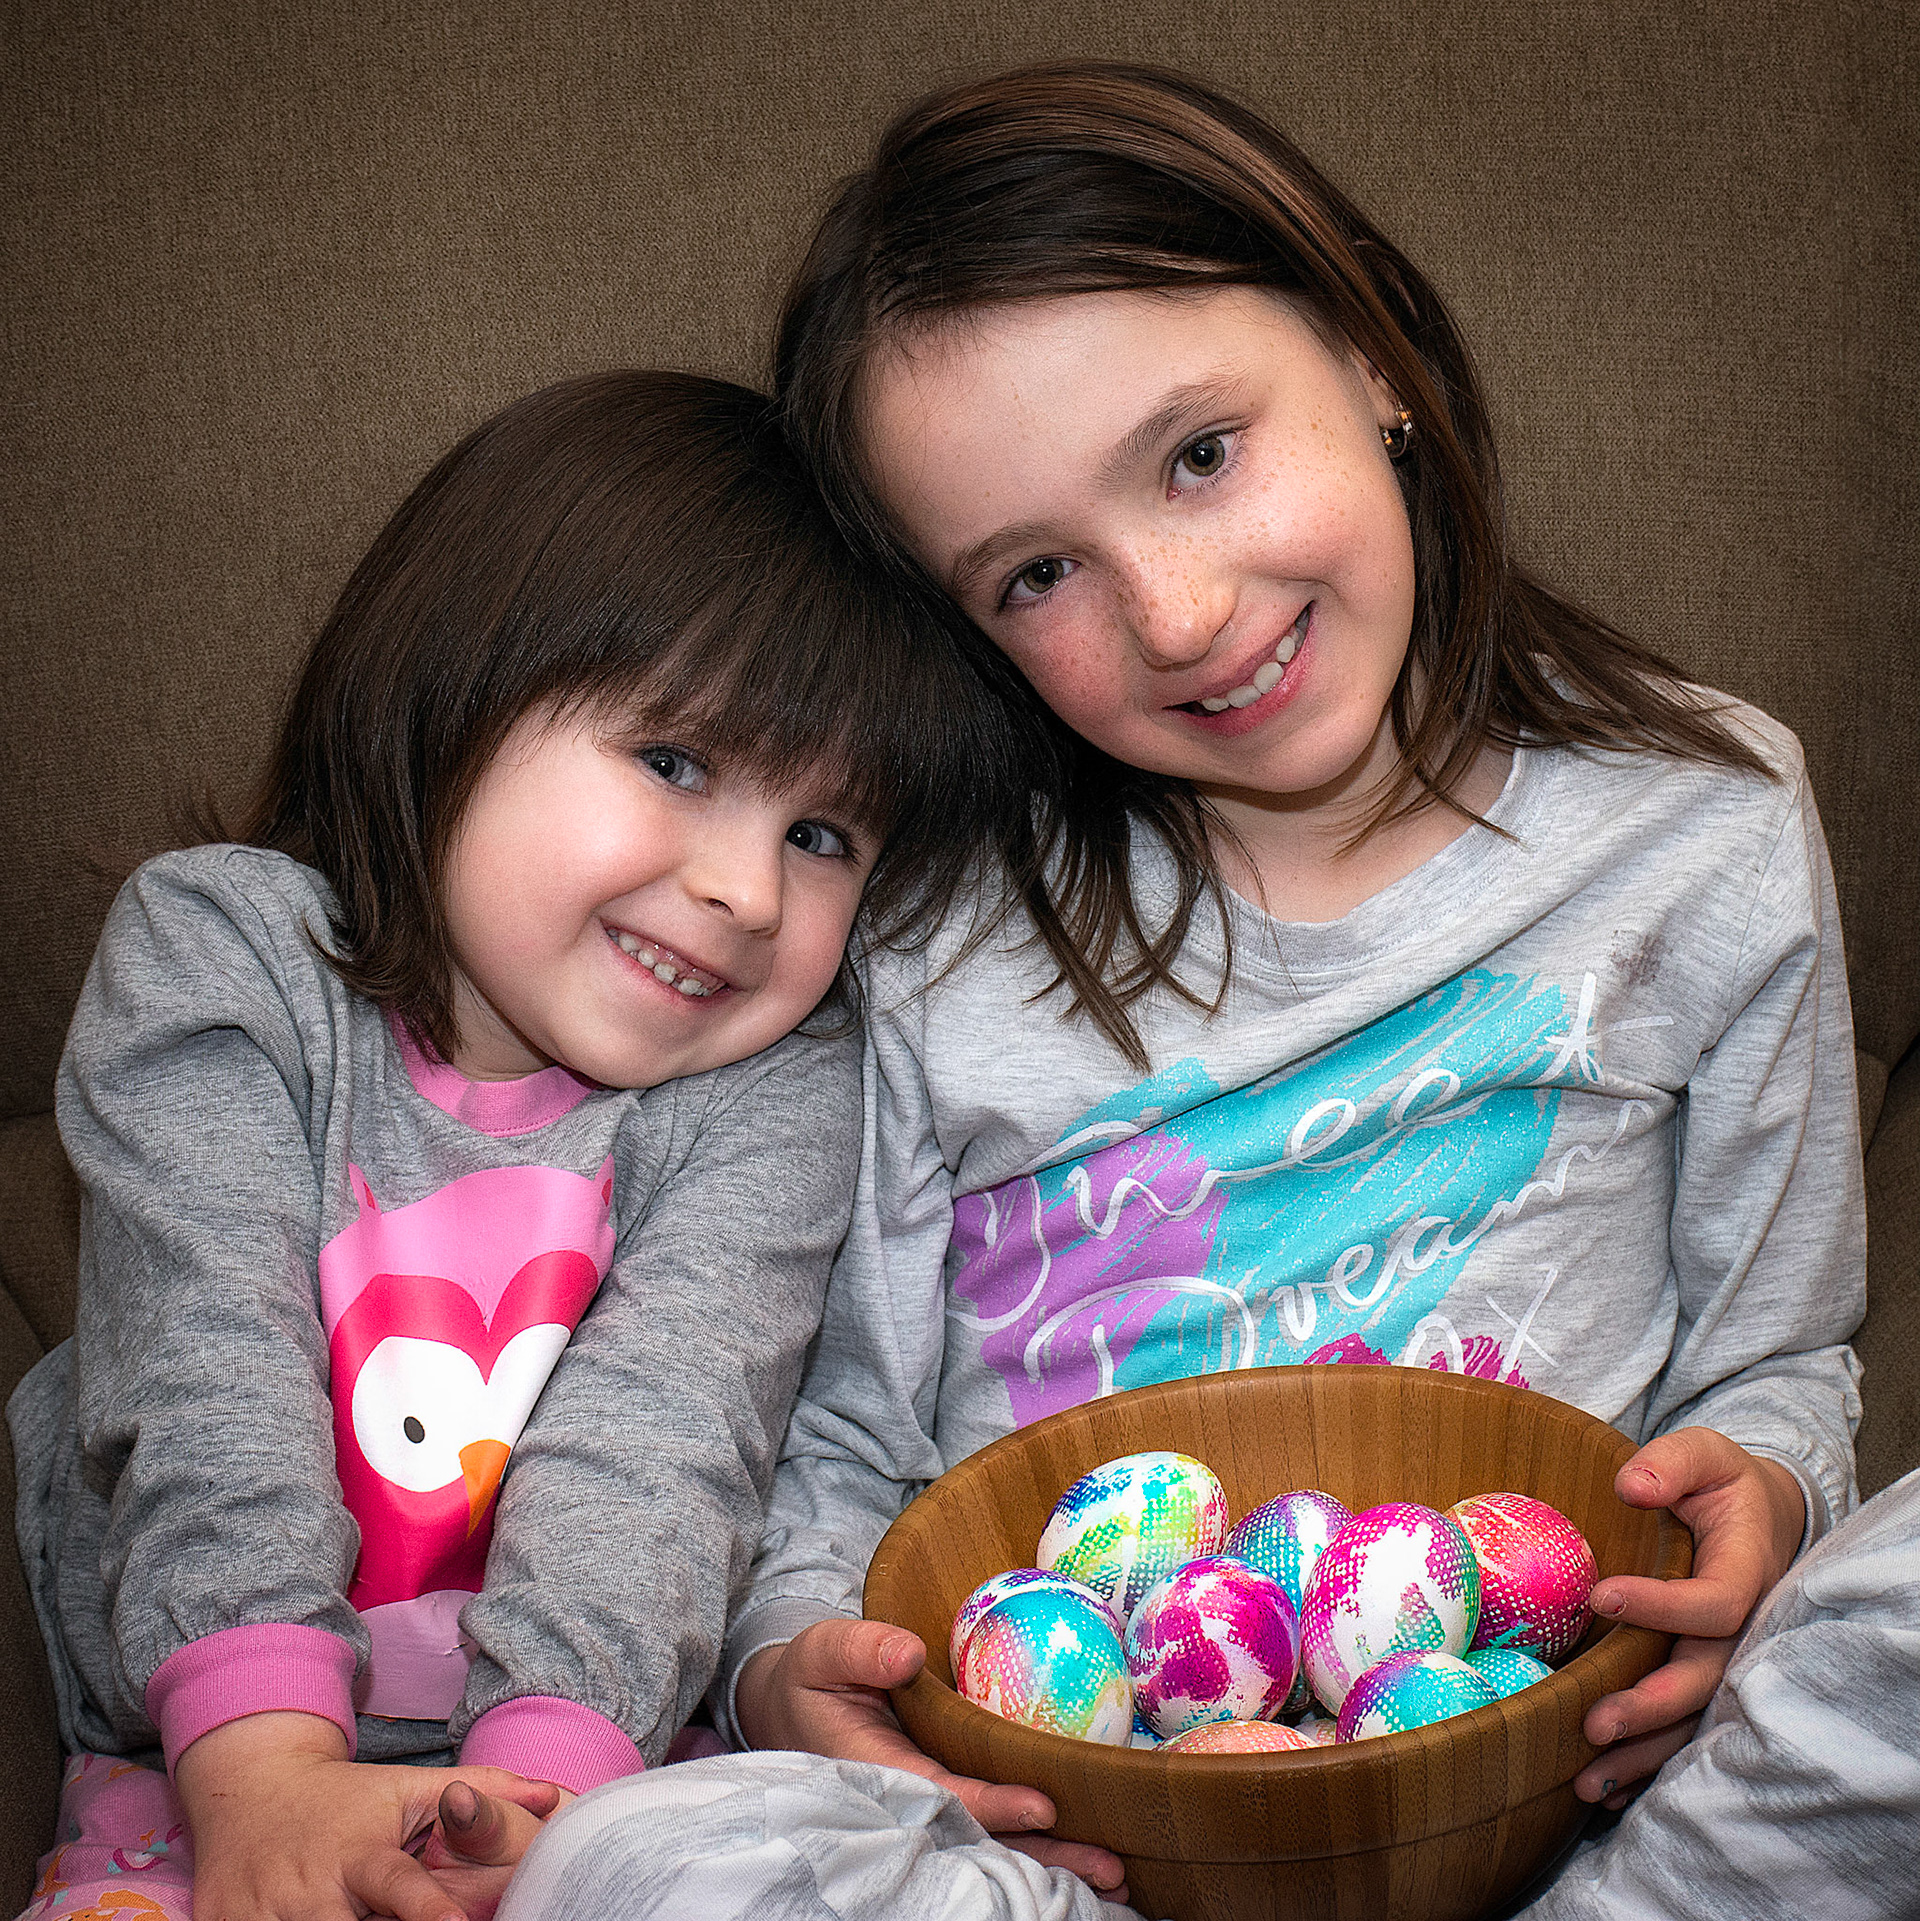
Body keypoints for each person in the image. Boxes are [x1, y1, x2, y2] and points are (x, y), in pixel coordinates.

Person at [717, 60, 1864, 1903]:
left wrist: (1771, 1499)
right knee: (645, 1857)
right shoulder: (926, 940)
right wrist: (785, 1663)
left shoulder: (1704, 826)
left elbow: (1782, 1357)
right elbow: (842, 1441)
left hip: (1586, 1804)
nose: (1178, 615)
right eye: (1036, 573)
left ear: (1375, 350)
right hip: (1079, 1857)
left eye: (1198, 454)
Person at [9, 369, 996, 1921]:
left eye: (822, 838)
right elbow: (202, 1376)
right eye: (677, 760)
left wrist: (541, 1815)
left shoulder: (773, 1089)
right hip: (199, 1764)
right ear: (457, 691)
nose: (748, 891)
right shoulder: (220, 954)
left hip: (592, 1756)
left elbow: (663, 1451)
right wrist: (267, 1780)